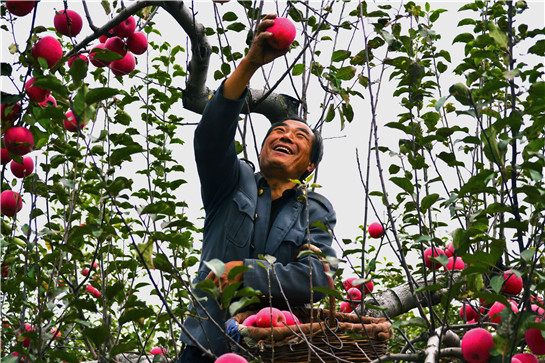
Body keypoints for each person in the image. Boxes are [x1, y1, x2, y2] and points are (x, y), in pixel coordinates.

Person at [177, 14, 337, 363]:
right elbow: (212, 136)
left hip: (273, 347)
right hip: (205, 341)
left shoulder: (315, 210)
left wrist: (246, 272)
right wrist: (250, 64)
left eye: (300, 136)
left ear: (310, 165)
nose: (285, 136)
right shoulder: (233, 181)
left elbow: (317, 277)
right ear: (263, 147)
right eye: (277, 132)